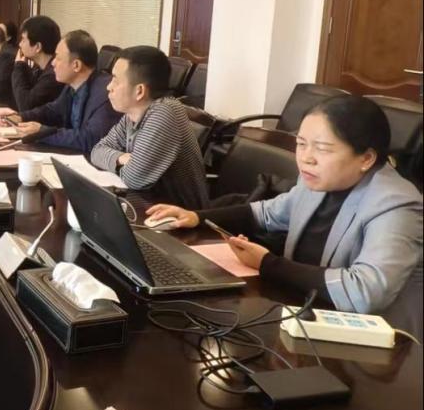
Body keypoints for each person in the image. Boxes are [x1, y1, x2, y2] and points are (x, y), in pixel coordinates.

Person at [146, 96, 423, 328]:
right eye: (301, 144)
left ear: (366, 158)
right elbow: (267, 214)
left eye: (322, 149)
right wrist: (197, 216)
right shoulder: (318, 179)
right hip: (301, 314)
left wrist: (267, 264)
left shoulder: (395, 204)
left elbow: (364, 291)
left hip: (370, 344)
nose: (306, 158)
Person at [90, 45, 208, 208]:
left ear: (139, 91)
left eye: (116, 80)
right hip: (147, 205)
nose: (109, 87)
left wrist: (117, 162)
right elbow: (96, 151)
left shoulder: (165, 112)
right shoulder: (132, 114)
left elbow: (134, 178)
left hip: (179, 216)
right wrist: (120, 158)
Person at [15, 30, 120, 154]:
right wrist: (20, 117)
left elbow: (90, 140)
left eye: (58, 58)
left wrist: (42, 133)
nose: (53, 63)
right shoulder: (72, 85)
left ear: (76, 65)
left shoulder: (105, 94)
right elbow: (52, 111)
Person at [11, 15, 63, 111]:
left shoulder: (53, 75)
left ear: (38, 47)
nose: (20, 44)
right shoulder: (38, 68)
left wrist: (19, 66)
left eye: (23, 40)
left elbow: (25, 105)